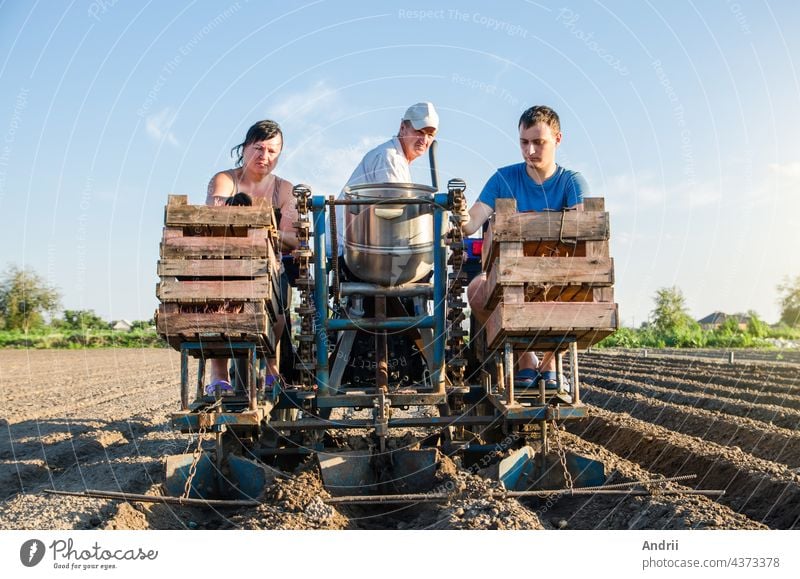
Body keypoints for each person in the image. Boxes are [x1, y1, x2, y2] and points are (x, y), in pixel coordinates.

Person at [459, 105, 588, 389]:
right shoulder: (504, 179)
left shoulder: (571, 182)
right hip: (509, 277)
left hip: (555, 276)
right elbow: (471, 223)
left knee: (583, 288)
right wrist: (458, 212)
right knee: (476, 290)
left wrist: (523, 222)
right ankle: (525, 357)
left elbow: (581, 227)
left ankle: (552, 361)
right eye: (524, 142)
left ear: (557, 139)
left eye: (538, 142)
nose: (530, 151)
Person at [205, 120, 299, 391]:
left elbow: (291, 239)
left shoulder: (284, 189)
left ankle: (271, 369)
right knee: (217, 303)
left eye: (272, 151)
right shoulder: (226, 179)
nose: (264, 156)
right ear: (245, 148)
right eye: (258, 148)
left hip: (270, 265)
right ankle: (219, 375)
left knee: (277, 308)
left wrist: (262, 232)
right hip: (226, 262)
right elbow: (216, 217)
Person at [331, 102, 440, 256]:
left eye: (430, 135)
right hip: (350, 251)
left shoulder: (398, 159)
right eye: (419, 132)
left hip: (363, 246)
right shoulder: (389, 158)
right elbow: (397, 215)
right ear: (403, 127)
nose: (424, 140)